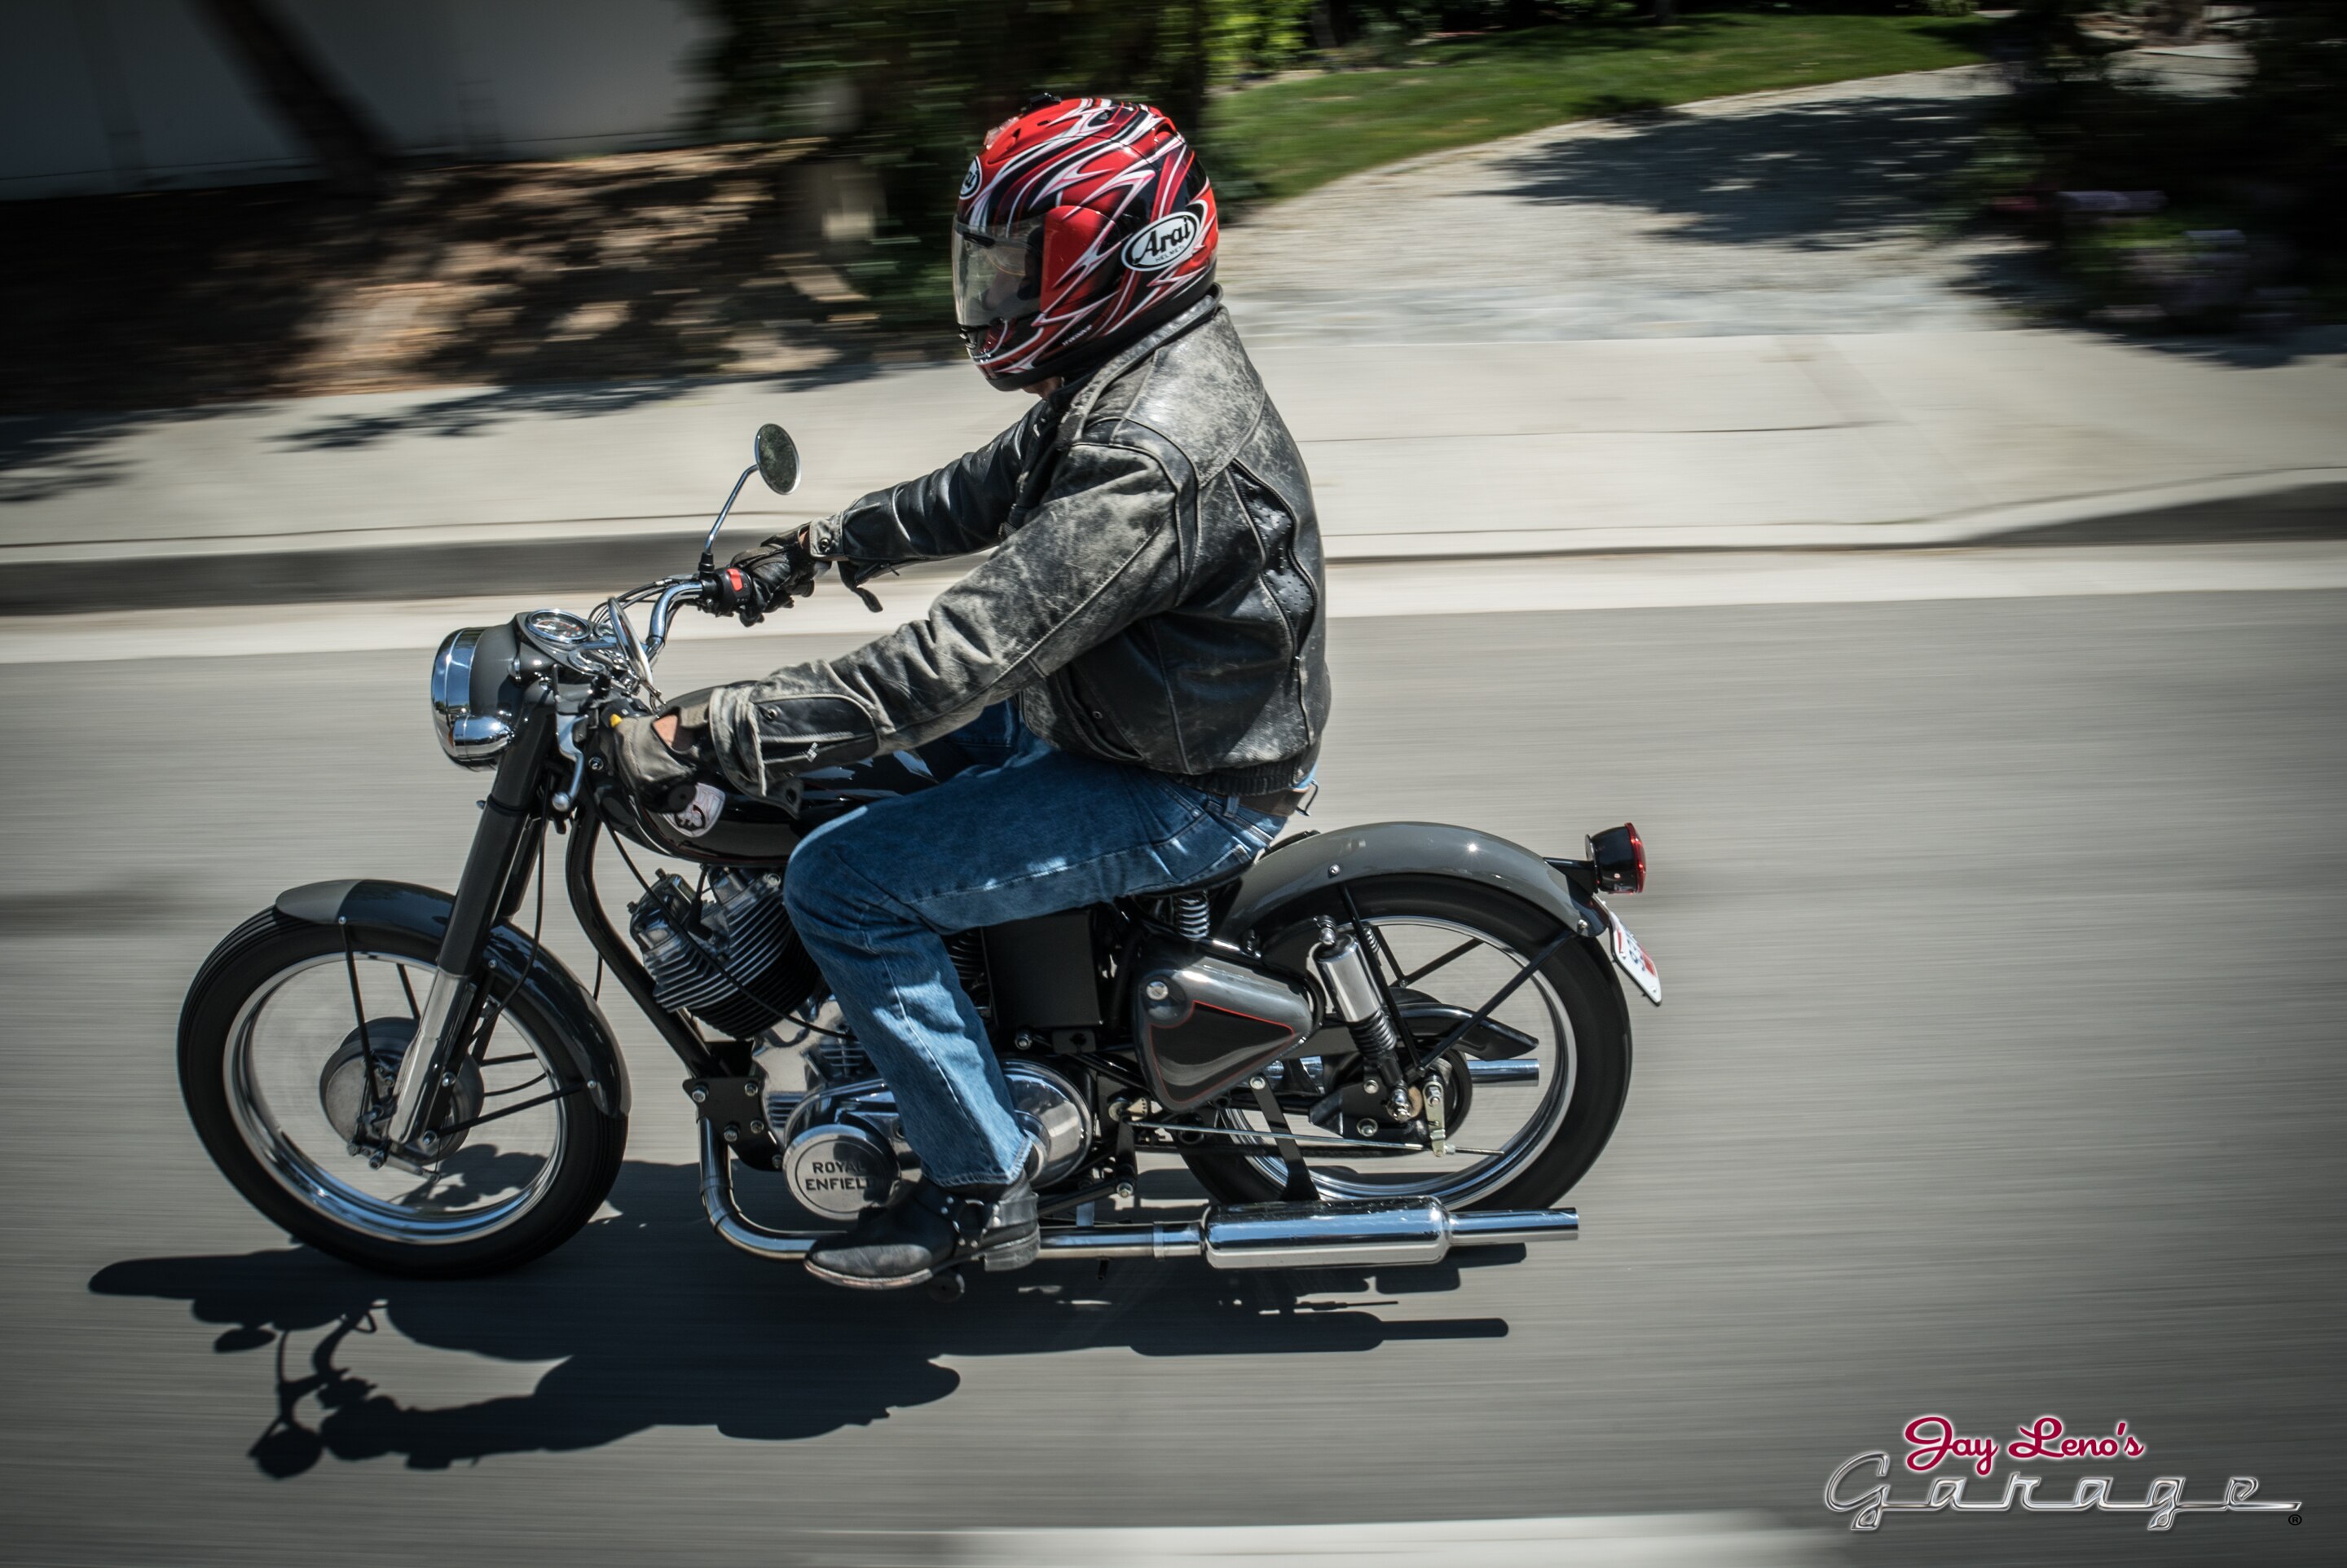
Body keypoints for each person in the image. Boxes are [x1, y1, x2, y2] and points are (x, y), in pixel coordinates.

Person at [604, 96, 1328, 1290]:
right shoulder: (1127, 374)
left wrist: (717, 727)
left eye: (1015, 267)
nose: (993, 295)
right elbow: (983, 488)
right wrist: (818, 553)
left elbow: (953, 664)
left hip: (1183, 778)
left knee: (844, 879)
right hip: (1134, 714)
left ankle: (982, 1180)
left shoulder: (1145, 455)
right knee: (840, 789)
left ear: (1110, 250)